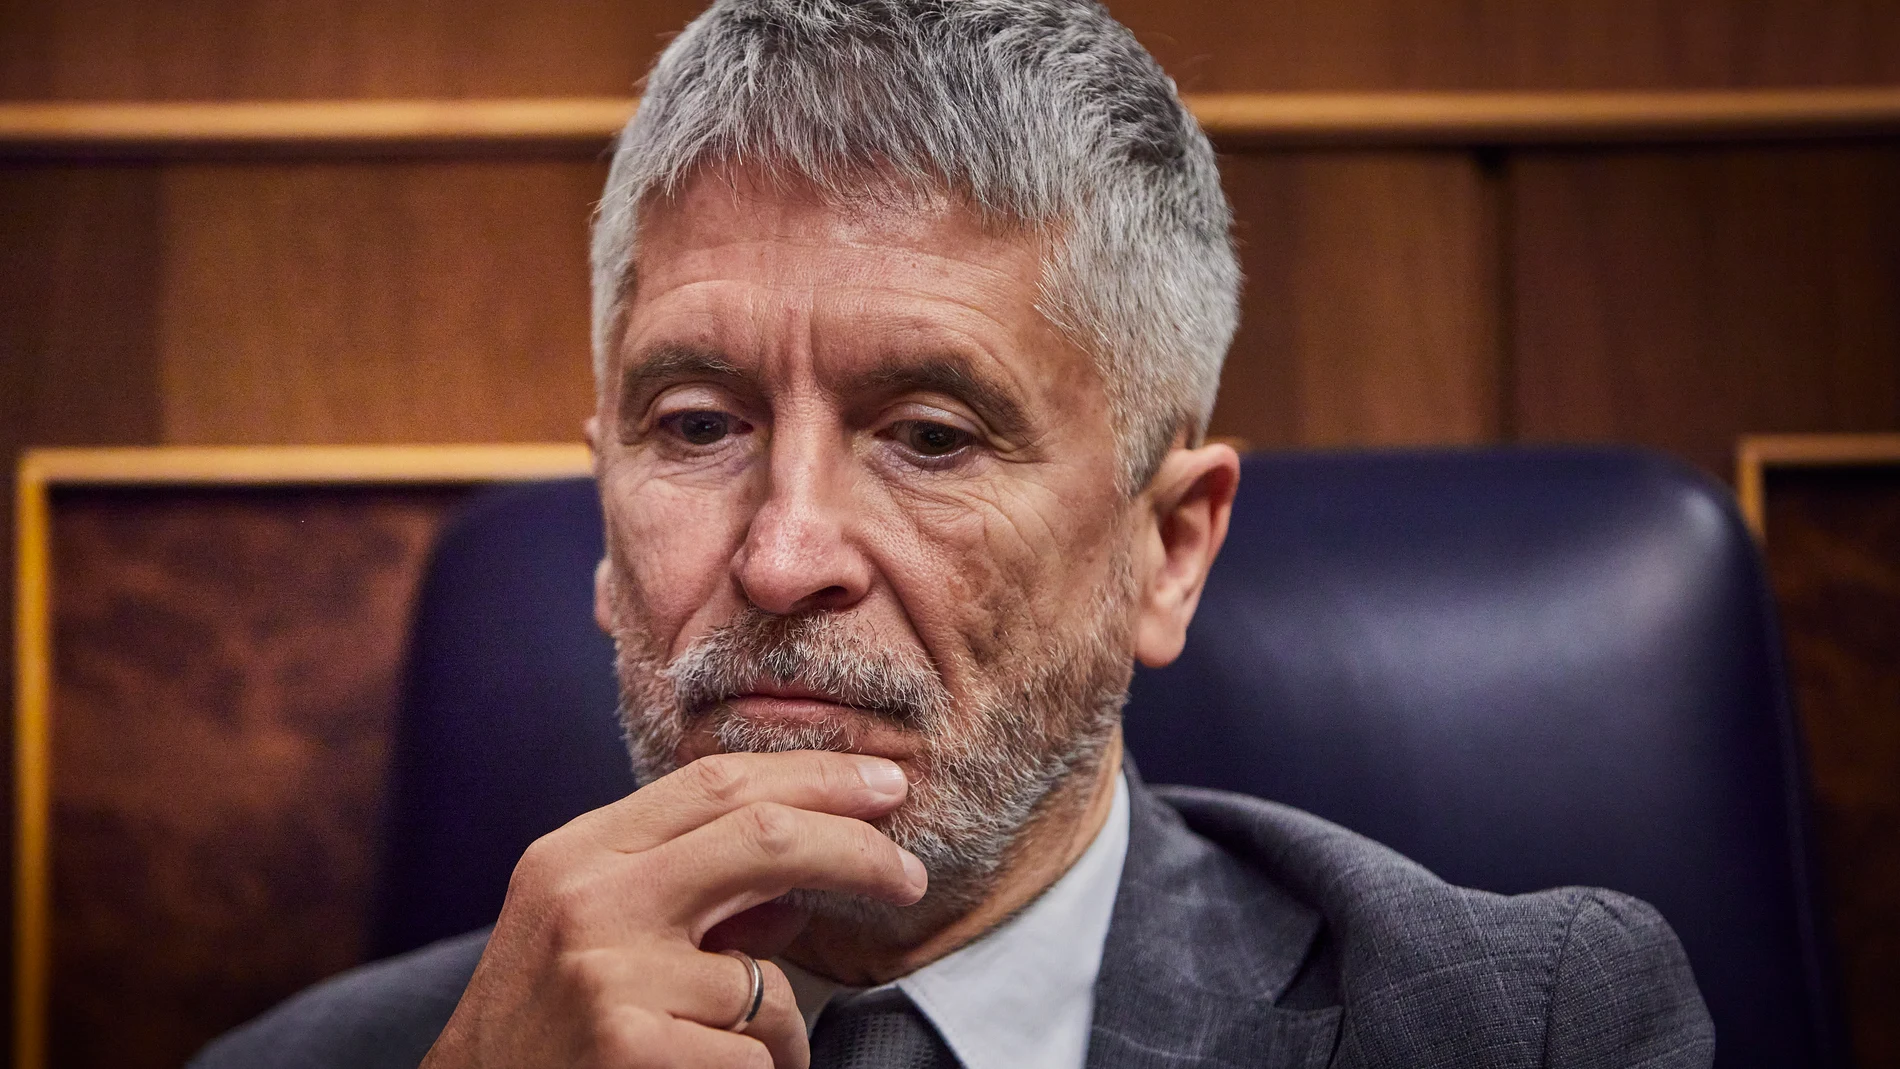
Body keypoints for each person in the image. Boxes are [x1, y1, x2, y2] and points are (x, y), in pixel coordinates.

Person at [194, 1, 1714, 1066]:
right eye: (698, 427)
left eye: (930, 437)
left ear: (1167, 549)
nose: (783, 558)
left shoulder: (1519, 1030)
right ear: (603, 525)